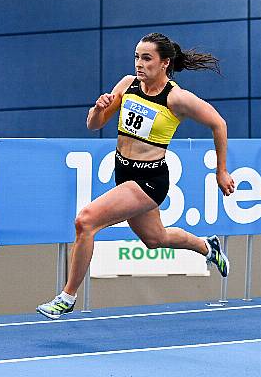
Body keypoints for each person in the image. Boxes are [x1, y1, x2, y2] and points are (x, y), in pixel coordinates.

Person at [37, 32, 235, 319]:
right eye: (136, 57)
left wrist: (221, 170)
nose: (139, 64)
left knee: (85, 221)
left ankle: (67, 297)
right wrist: (99, 108)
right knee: (155, 238)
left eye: (147, 58)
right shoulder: (128, 84)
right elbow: (94, 125)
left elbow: (219, 124)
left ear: (165, 63)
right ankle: (208, 247)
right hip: (124, 172)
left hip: (150, 180)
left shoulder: (177, 98)